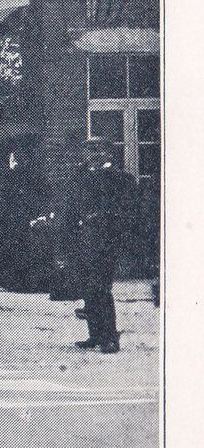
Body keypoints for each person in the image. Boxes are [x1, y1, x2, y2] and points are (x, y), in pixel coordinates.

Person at [73, 142, 131, 353]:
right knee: (88, 288)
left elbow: (127, 211)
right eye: (90, 151)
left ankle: (110, 337)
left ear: (109, 154)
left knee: (102, 289)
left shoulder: (120, 179)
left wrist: (104, 218)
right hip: (84, 240)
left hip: (106, 242)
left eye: (98, 151)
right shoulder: (82, 177)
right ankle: (95, 334)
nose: (93, 156)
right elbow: (72, 206)